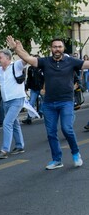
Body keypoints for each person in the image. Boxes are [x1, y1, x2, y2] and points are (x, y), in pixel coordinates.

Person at [7, 36, 88, 169]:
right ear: (51, 48)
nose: (57, 49)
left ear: (63, 48)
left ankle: (75, 153)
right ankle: (57, 160)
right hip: (49, 103)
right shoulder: (45, 62)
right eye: (55, 47)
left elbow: (86, 64)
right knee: (51, 133)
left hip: (66, 101)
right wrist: (16, 49)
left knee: (67, 129)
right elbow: (28, 59)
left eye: (59, 46)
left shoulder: (71, 61)